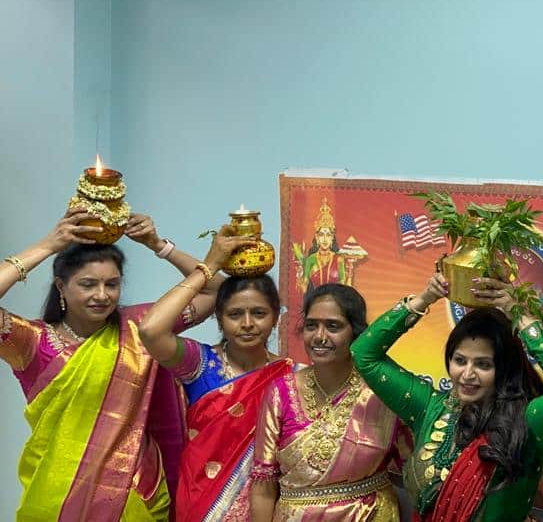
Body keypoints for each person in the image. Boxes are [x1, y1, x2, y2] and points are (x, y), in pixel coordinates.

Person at [0, 208, 222, 520]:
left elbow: (216, 291)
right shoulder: (32, 342)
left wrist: (159, 246)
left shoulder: (141, 326)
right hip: (57, 500)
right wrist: (49, 245)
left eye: (112, 284)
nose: (102, 295)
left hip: (137, 494)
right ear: (61, 287)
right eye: (88, 284)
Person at [351, 274, 543, 521]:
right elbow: (363, 354)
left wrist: (520, 316)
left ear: (504, 368)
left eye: (483, 364)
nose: (467, 374)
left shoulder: (527, 423)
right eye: (460, 360)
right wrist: (424, 299)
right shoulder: (430, 407)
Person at [138, 228, 292, 521]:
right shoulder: (200, 364)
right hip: (203, 503)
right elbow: (150, 330)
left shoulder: (290, 376)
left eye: (259, 313)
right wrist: (210, 264)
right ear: (218, 318)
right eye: (235, 314)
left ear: (275, 317)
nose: (247, 323)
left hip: (268, 508)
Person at [250, 283, 410, 521]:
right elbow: (264, 484)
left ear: (356, 332)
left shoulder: (379, 391)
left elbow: (411, 471)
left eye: (333, 326)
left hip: (368, 514)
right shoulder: (280, 392)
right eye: (311, 325)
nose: (320, 337)